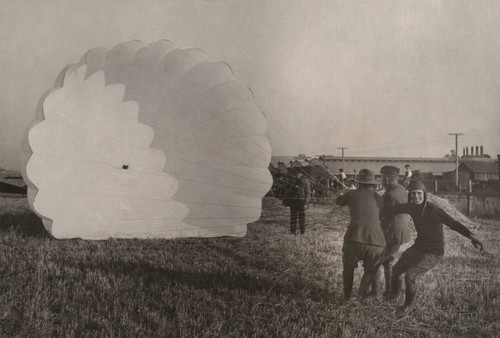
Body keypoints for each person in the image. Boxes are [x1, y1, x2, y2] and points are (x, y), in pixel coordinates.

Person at [385, 181, 484, 313]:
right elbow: (393, 209)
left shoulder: (434, 210)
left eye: (419, 194)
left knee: (410, 276)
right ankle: (393, 297)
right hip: (419, 247)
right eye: (413, 194)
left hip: (434, 252)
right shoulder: (411, 207)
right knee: (396, 270)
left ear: (424, 194)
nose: (416, 197)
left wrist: (471, 236)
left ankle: (407, 307)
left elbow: (453, 224)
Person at [335, 169, 386, 300]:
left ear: (358, 183)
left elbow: (339, 201)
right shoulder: (379, 199)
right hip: (376, 241)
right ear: (373, 184)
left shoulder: (351, 194)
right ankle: (374, 294)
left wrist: (340, 194)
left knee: (348, 268)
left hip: (354, 239)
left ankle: (347, 296)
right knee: (373, 269)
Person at [374, 166, 411, 297]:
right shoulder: (401, 189)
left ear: (388, 179)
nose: (380, 180)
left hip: (392, 232)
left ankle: (377, 293)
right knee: (387, 261)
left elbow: (380, 213)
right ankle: (389, 291)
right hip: (399, 231)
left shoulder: (390, 194)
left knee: (376, 262)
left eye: (382, 177)